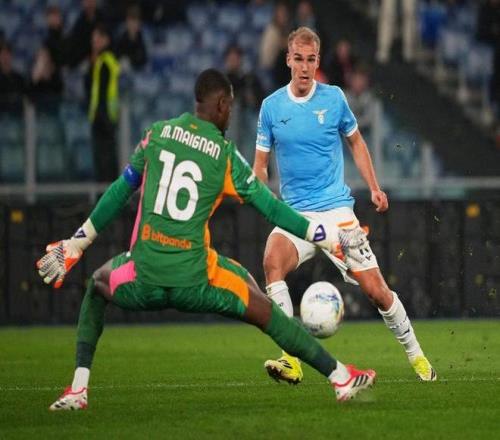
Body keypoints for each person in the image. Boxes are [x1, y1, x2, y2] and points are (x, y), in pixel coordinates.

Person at [37, 69, 377, 411]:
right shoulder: (224, 154)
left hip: (143, 275)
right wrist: (328, 237)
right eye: (230, 108)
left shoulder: (156, 135)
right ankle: (340, 378)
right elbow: (273, 209)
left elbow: (119, 191)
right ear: (222, 104)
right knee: (264, 310)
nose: (230, 115)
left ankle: (78, 390)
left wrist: (77, 243)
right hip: (195, 280)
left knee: (97, 286)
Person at [252, 27, 436, 384]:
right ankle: (291, 359)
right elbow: (260, 164)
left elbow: (356, 142)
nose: (304, 67)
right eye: (298, 59)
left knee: (377, 292)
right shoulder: (271, 107)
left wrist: (374, 187)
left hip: (336, 213)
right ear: (288, 59)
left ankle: (417, 356)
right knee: (272, 262)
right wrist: (261, 191)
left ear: (317, 61)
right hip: (295, 214)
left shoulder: (334, 98)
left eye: (311, 60)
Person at [85, 24, 120, 182]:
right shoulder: (109, 60)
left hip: (103, 119)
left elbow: (101, 93)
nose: (94, 43)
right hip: (108, 118)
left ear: (106, 40)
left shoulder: (104, 62)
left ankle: (105, 195)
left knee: (104, 164)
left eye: (97, 39)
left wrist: (101, 118)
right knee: (108, 162)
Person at [115, 4, 148, 71]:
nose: (133, 25)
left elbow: (144, 58)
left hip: (139, 70)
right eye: (131, 21)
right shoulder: (121, 37)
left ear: (139, 23)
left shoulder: (143, 38)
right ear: (127, 22)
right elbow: (117, 55)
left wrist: (131, 60)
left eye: (136, 22)